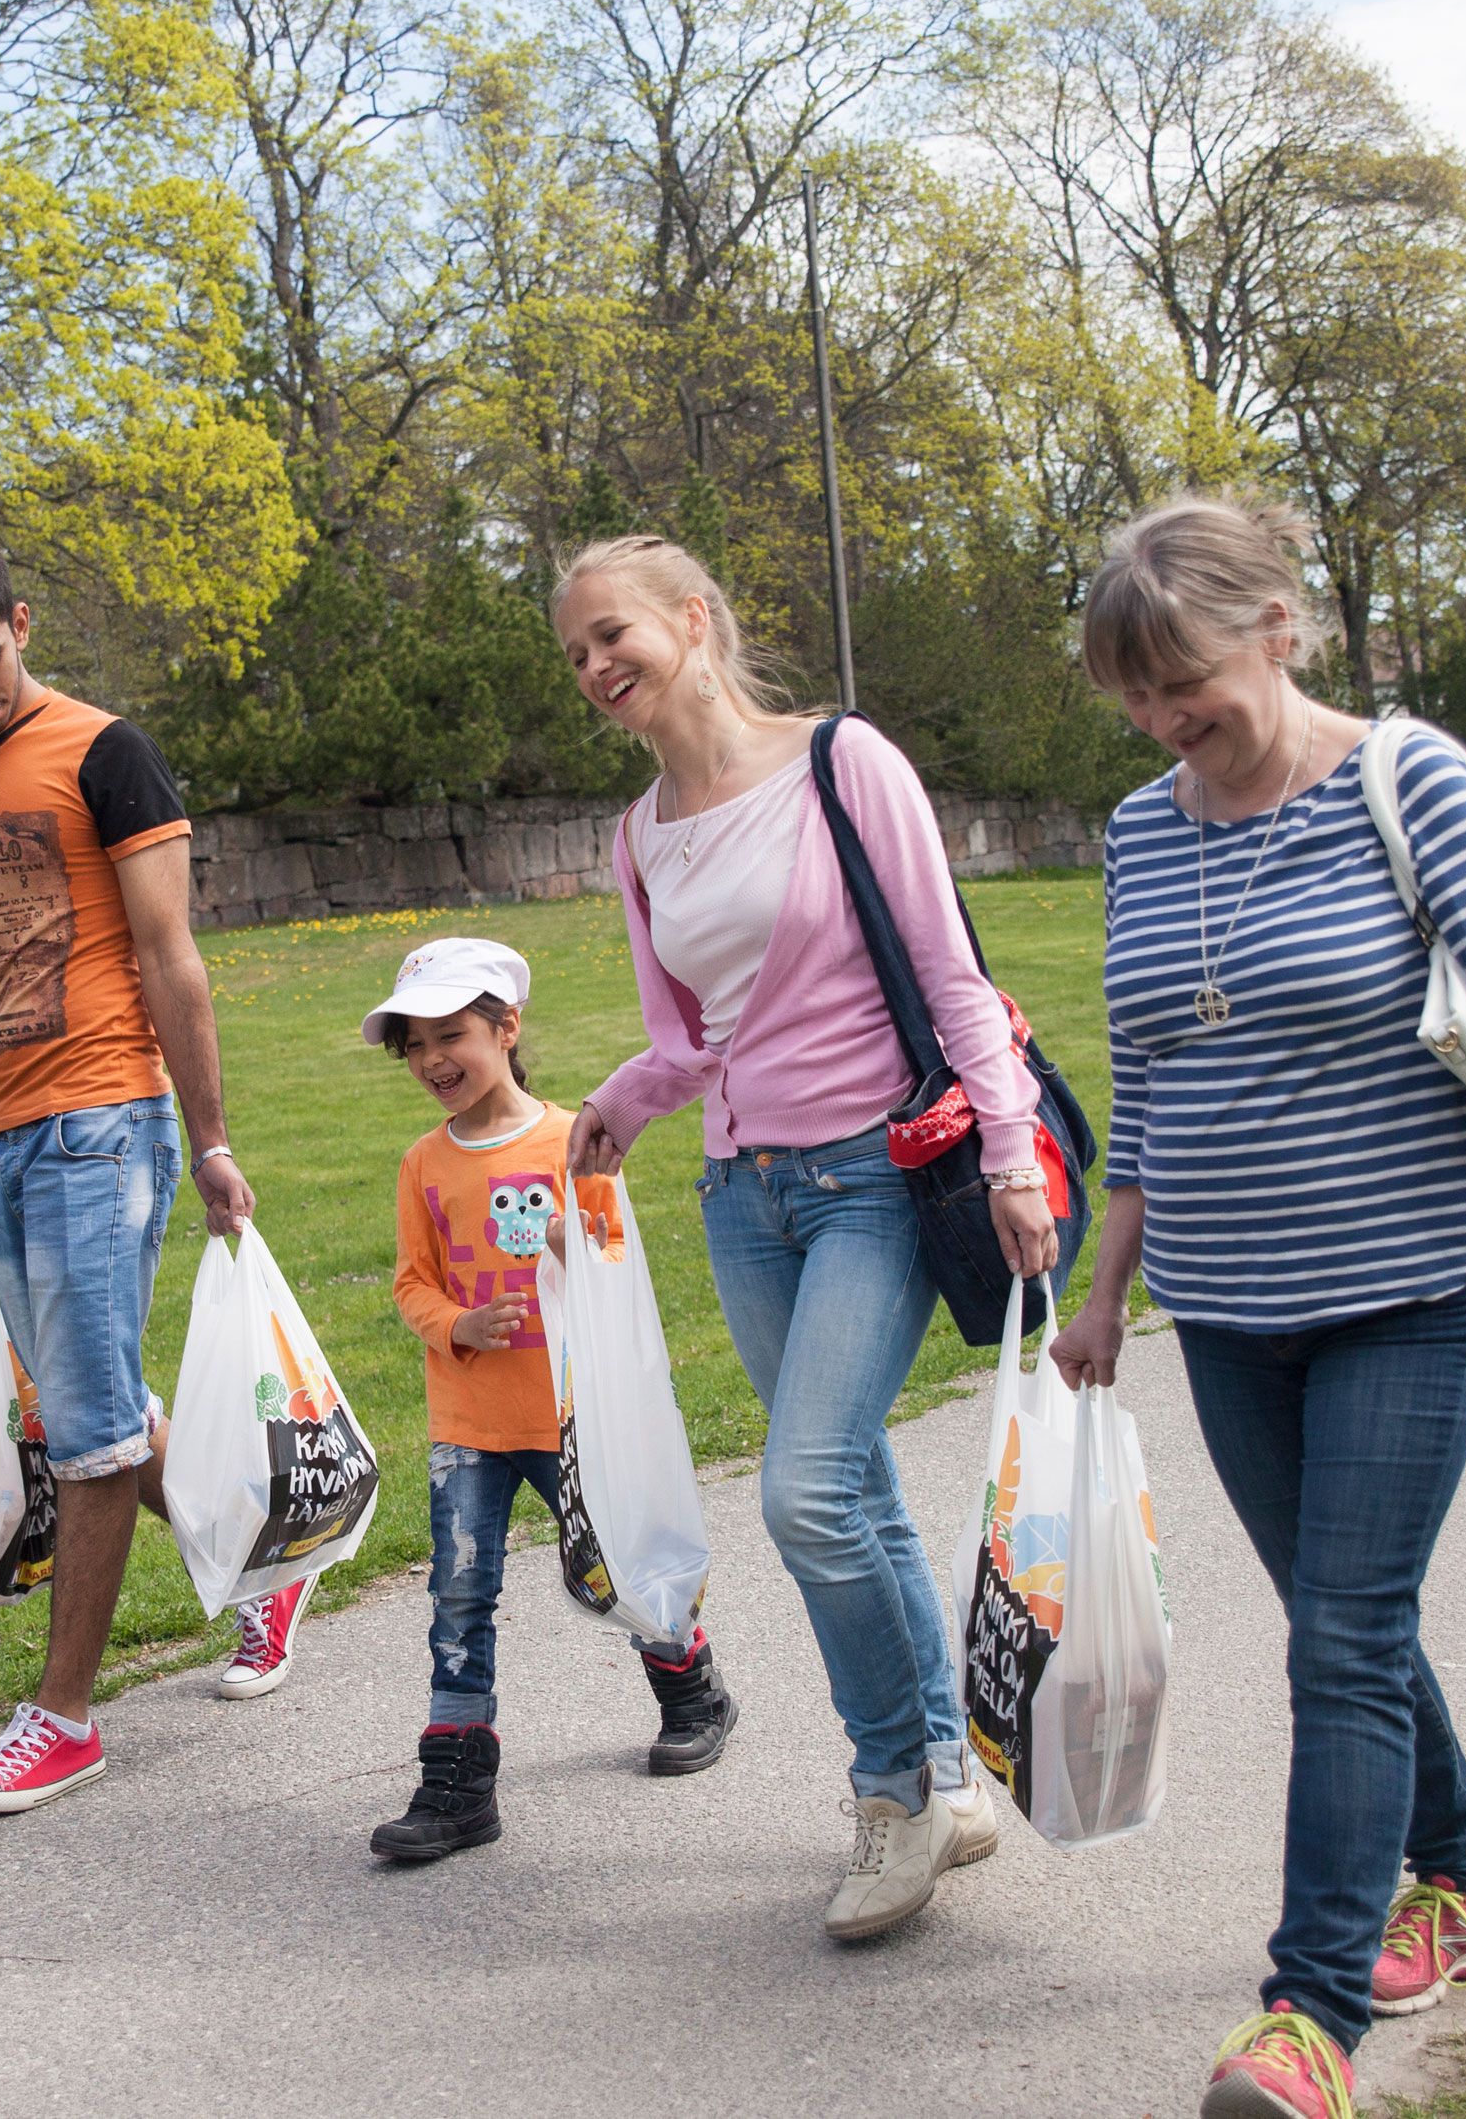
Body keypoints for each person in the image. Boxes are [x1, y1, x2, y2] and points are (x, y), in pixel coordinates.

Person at [1047, 496, 1466, 2119]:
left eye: (1186, 682)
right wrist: (1106, 1290)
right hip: (1226, 1302)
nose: (1166, 720)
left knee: (1343, 1635)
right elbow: (1146, 1072)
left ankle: (1309, 2019)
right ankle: (1465, 1875)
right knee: (1344, 1617)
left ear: (1277, 629)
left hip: (1411, 1284)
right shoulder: (1143, 829)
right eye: (1136, 696)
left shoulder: (1407, 778)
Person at [555, 535, 1055, 1940]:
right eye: (575, 653)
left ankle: (887, 1788)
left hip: (875, 1179)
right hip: (744, 1197)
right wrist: (620, 1102)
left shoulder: (842, 763)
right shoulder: (639, 833)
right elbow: (690, 1038)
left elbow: (950, 974)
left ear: (690, 618)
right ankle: (946, 1778)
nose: (595, 666)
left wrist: (1009, 1151)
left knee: (808, 1492)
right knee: (858, 1489)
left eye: (612, 634)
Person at [0, 520, 291, 1818]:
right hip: (7, 1144)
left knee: (88, 1435)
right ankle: (262, 1564)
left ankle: (61, 1718)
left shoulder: (107, 752)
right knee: (87, 1401)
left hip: (103, 1122)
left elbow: (172, 956)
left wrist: (209, 1138)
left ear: (21, 624)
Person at [363, 936, 742, 1862]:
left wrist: (581, 1247)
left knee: (616, 1560)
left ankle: (691, 1687)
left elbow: (618, 1258)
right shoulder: (422, 1164)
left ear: (507, 1027)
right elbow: (412, 1283)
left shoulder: (575, 1139)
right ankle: (457, 1782)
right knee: (459, 1592)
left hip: (572, 1419)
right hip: (468, 1424)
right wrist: (458, 1323)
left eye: (451, 1035)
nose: (432, 1060)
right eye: (415, 1045)